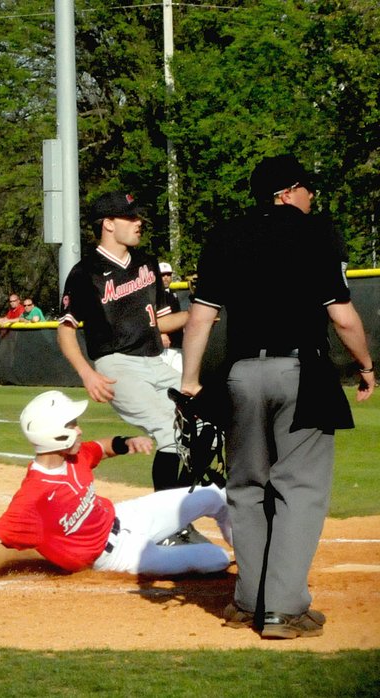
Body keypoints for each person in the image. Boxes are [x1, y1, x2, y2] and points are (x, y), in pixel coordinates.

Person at [181, 153, 375, 639]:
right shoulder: (315, 233)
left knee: (246, 489)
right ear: (289, 192)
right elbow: (343, 317)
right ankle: (283, 610)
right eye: (307, 188)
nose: (311, 197)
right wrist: (367, 367)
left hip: (241, 374)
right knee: (300, 489)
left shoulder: (224, 235)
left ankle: (248, 601)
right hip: (300, 372)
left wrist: (190, 381)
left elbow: (201, 319)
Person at [0, 391, 233, 587]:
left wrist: (126, 442)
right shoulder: (33, 497)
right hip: (117, 556)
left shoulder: (74, 456)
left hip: (126, 516)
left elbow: (101, 449)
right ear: (55, 434)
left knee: (214, 495)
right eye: (72, 424)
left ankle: (252, 555)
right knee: (216, 559)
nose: (79, 429)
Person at [57, 192, 192, 498]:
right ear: (107, 223)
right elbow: (65, 331)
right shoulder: (84, 273)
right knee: (169, 431)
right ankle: (170, 523)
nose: (138, 222)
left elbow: (161, 323)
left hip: (157, 360)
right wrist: (87, 374)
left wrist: (198, 315)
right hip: (118, 365)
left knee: (202, 424)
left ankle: (184, 511)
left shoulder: (147, 263)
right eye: (130, 217)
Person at [158, 262, 184, 372]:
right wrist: (162, 333)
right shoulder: (154, 294)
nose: (165, 278)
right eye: (162, 275)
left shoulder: (173, 294)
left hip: (177, 343)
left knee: (178, 378)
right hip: (164, 346)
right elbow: (151, 317)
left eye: (168, 275)